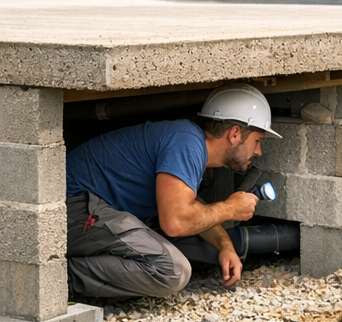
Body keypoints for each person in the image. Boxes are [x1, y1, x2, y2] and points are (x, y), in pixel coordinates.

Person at [65, 84, 281, 301]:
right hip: (73, 206)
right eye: (258, 141)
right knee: (172, 271)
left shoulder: (189, 141)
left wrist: (226, 247)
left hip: (94, 208)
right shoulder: (186, 142)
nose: (258, 151)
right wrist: (230, 208)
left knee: (185, 249)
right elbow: (176, 222)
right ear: (234, 134)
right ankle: (56, 280)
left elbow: (193, 207)